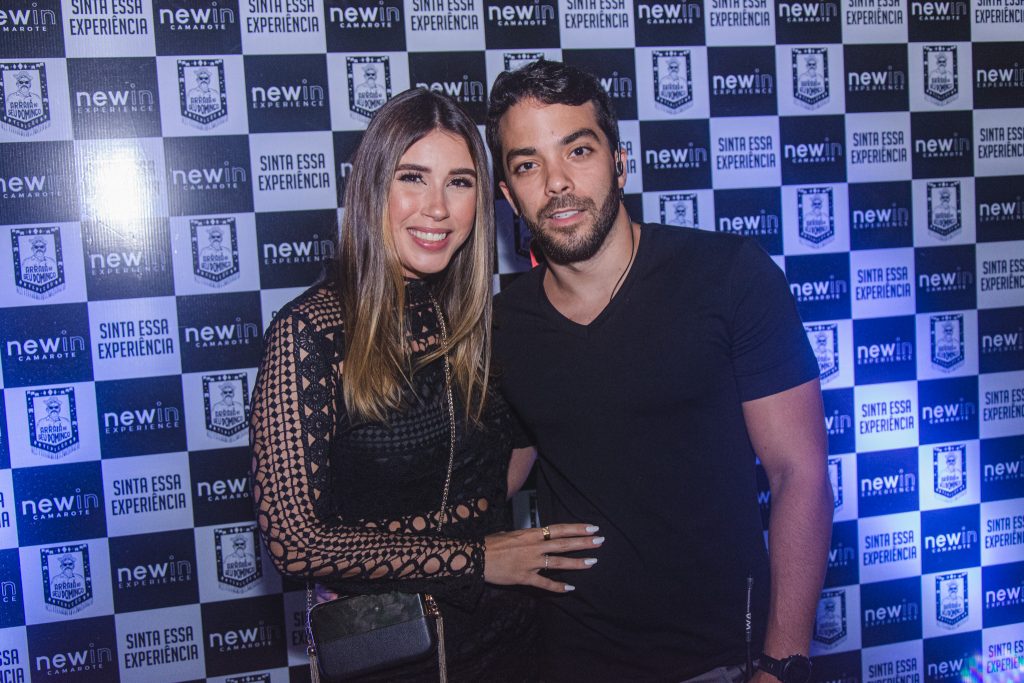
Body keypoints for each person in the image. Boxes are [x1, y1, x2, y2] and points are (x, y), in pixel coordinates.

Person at [486, 60, 833, 683]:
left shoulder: (728, 276)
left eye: (578, 150)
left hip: (722, 659)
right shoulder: (504, 326)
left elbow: (798, 473)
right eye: (528, 165)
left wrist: (783, 664)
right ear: (509, 195)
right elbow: (488, 483)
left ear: (620, 163)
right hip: (569, 661)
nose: (558, 182)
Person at [249, 87, 601, 681]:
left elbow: (504, 460)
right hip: (392, 650)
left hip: (511, 638)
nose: (437, 208)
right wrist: (474, 558)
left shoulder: (481, 322)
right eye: (413, 178)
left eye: (459, 183)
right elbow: (293, 542)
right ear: (372, 188)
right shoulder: (311, 331)